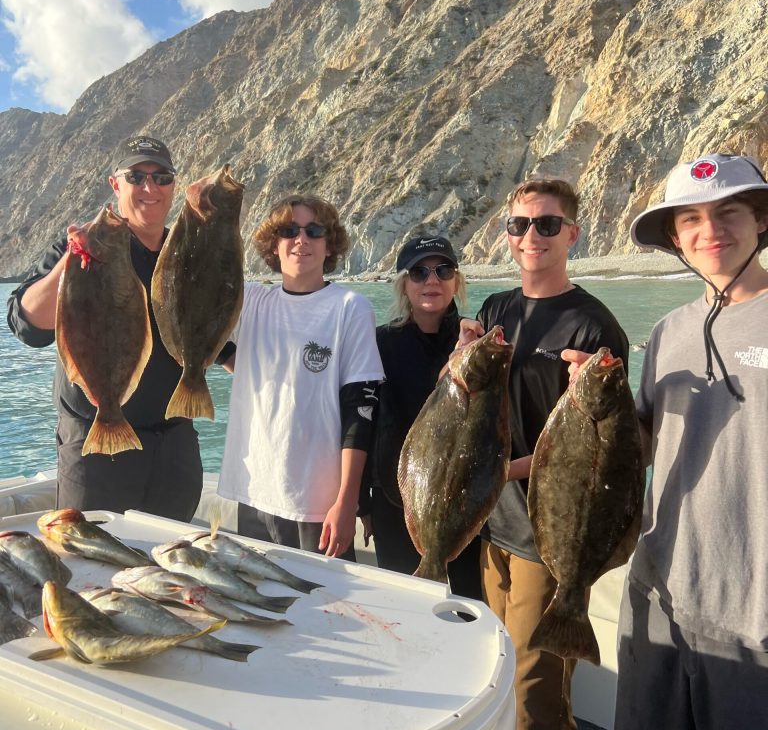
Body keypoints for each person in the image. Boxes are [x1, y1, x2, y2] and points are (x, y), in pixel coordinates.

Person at [458, 177, 628, 730]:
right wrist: (466, 351)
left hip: (547, 539)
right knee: (529, 681)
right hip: (493, 530)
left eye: (548, 225)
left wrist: (510, 472)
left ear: (573, 235)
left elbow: (609, 451)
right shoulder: (498, 308)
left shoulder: (595, 326)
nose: (532, 236)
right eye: (519, 225)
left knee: (531, 696)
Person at [607, 153, 768, 730]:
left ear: (760, 221)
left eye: (729, 212)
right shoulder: (669, 332)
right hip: (659, 602)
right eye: (692, 219)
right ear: (674, 237)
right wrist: (597, 406)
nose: (712, 231)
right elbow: (640, 449)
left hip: (755, 617)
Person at [6, 135, 218, 521]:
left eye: (162, 176)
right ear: (115, 184)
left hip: (175, 447)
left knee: (169, 564)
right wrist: (72, 260)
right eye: (136, 176)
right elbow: (27, 326)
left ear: (174, 185)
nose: (149, 188)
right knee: (94, 567)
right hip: (95, 444)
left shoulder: (187, 256)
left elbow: (211, 333)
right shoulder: (80, 250)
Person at [217, 193, 384, 559]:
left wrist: (347, 501)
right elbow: (202, 323)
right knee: (263, 607)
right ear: (273, 245)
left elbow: (361, 413)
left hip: (317, 504)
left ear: (330, 244)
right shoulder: (252, 302)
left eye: (314, 230)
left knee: (326, 609)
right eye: (289, 230)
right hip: (254, 491)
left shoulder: (349, 308)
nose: (301, 239)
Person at [367, 235, 482, 598]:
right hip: (394, 503)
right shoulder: (380, 342)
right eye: (419, 272)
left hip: (464, 501)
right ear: (404, 284)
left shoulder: (475, 345)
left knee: (467, 609)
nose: (431, 281)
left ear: (456, 281)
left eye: (442, 270)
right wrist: (362, 504)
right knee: (406, 610)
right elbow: (365, 421)